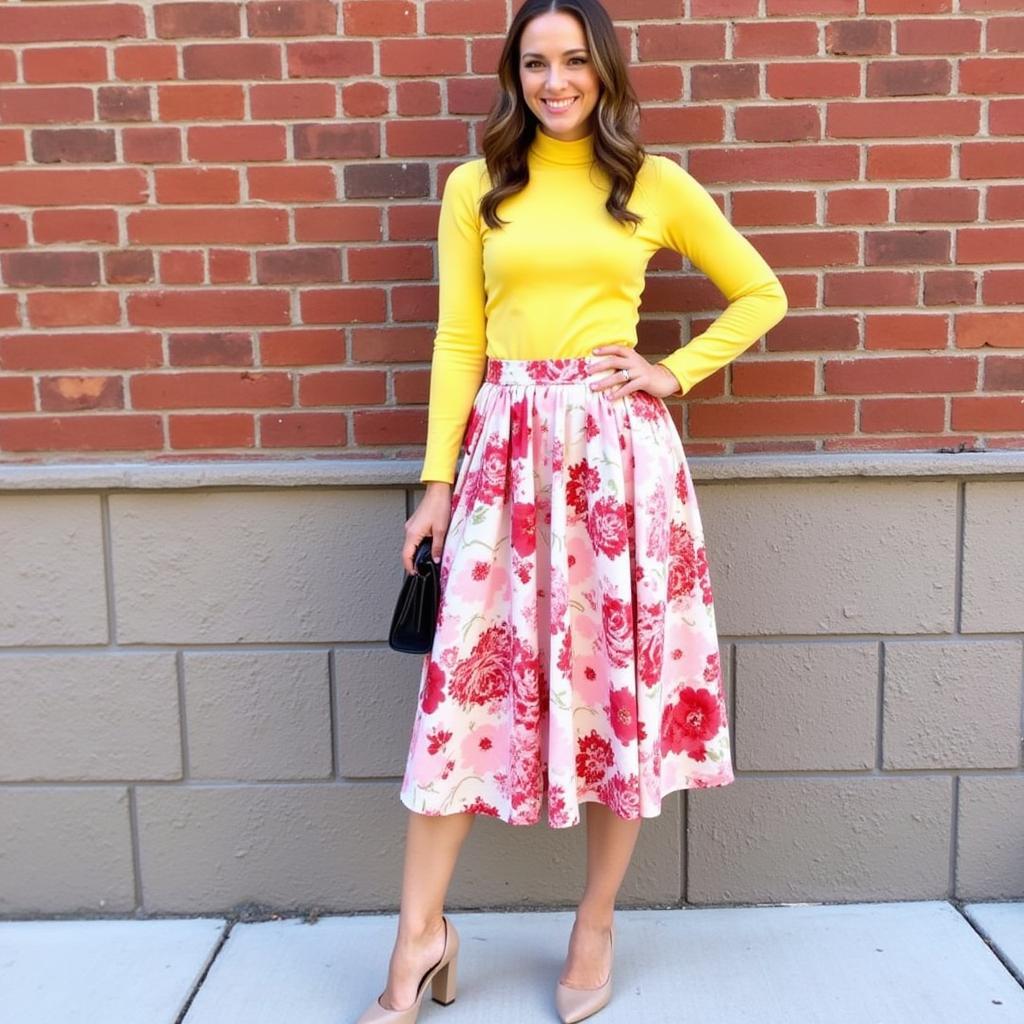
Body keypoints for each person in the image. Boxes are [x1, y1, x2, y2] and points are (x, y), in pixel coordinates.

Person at [358, 1, 787, 1021]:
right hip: (501, 463)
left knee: (615, 694)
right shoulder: (477, 189)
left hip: (615, 467)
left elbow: (759, 292)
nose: (556, 81)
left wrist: (668, 373)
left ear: (604, 73)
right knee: (461, 696)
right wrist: (433, 487)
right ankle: (420, 934)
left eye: (575, 62)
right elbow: (457, 341)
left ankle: (594, 923)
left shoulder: (649, 183)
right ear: (516, 74)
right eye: (537, 63)